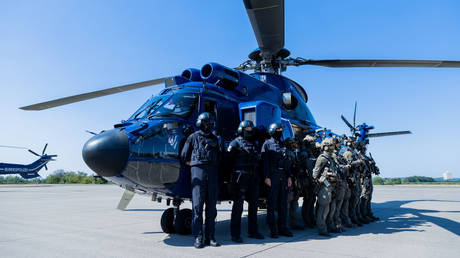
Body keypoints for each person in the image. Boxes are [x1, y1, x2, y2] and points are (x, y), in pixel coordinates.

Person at [181, 112, 221, 248]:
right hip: (198, 174)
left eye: (210, 123)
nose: (208, 126)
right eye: (206, 123)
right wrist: (195, 165)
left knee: (212, 209)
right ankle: (198, 237)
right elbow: (184, 156)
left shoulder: (215, 139)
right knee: (197, 207)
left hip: (213, 174)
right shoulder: (193, 137)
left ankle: (211, 237)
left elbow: (219, 157)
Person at [228, 120, 265, 243]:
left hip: (253, 177)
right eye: (247, 128)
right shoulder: (235, 143)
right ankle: (235, 234)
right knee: (238, 207)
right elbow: (228, 162)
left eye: (251, 128)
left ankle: (253, 231)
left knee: (254, 205)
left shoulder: (254, 144)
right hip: (240, 177)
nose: (250, 130)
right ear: (241, 129)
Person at [261, 123, 293, 238]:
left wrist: (289, 176)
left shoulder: (282, 144)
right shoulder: (267, 144)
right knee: (272, 204)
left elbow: (287, 162)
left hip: (283, 176)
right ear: (272, 131)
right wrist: (266, 177)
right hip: (273, 177)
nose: (280, 131)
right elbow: (264, 163)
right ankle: (272, 229)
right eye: (278, 130)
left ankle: (283, 227)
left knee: (283, 204)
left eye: (281, 130)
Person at [312, 138, 338, 236]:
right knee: (323, 208)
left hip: (331, 186)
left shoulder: (330, 158)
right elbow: (315, 175)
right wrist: (326, 177)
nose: (332, 148)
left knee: (330, 208)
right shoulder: (322, 158)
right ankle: (322, 229)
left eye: (333, 146)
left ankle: (329, 226)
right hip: (324, 186)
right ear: (326, 147)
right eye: (331, 146)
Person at [286, 138, 304, 230]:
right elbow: (288, 168)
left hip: (295, 180)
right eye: (293, 143)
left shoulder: (294, 153)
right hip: (290, 180)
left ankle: (293, 223)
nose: (295, 145)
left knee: (294, 203)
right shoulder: (287, 153)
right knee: (287, 203)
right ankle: (285, 225)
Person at [300, 134, 317, 228]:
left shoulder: (311, 153)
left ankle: (311, 218)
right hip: (307, 181)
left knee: (312, 200)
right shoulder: (304, 154)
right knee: (307, 200)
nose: (313, 144)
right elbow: (302, 168)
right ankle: (306, 220)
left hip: (312, 180)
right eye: (311, 142)